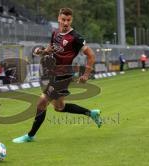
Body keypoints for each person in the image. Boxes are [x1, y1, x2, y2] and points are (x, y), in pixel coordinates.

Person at [12, 8, 102, 144]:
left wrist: (86, 74)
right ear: (58, 19)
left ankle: (30, 136)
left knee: (42, 102)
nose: (65, 23)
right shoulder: (55, 33)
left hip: (63, 75)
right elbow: (50, 51)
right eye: (63, 19)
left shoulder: (76, 37)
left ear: (71, 20)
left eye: (68, 20)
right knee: (59, 107)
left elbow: (91, 55)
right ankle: (91, 113)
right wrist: (42, 51)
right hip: (55, 74)